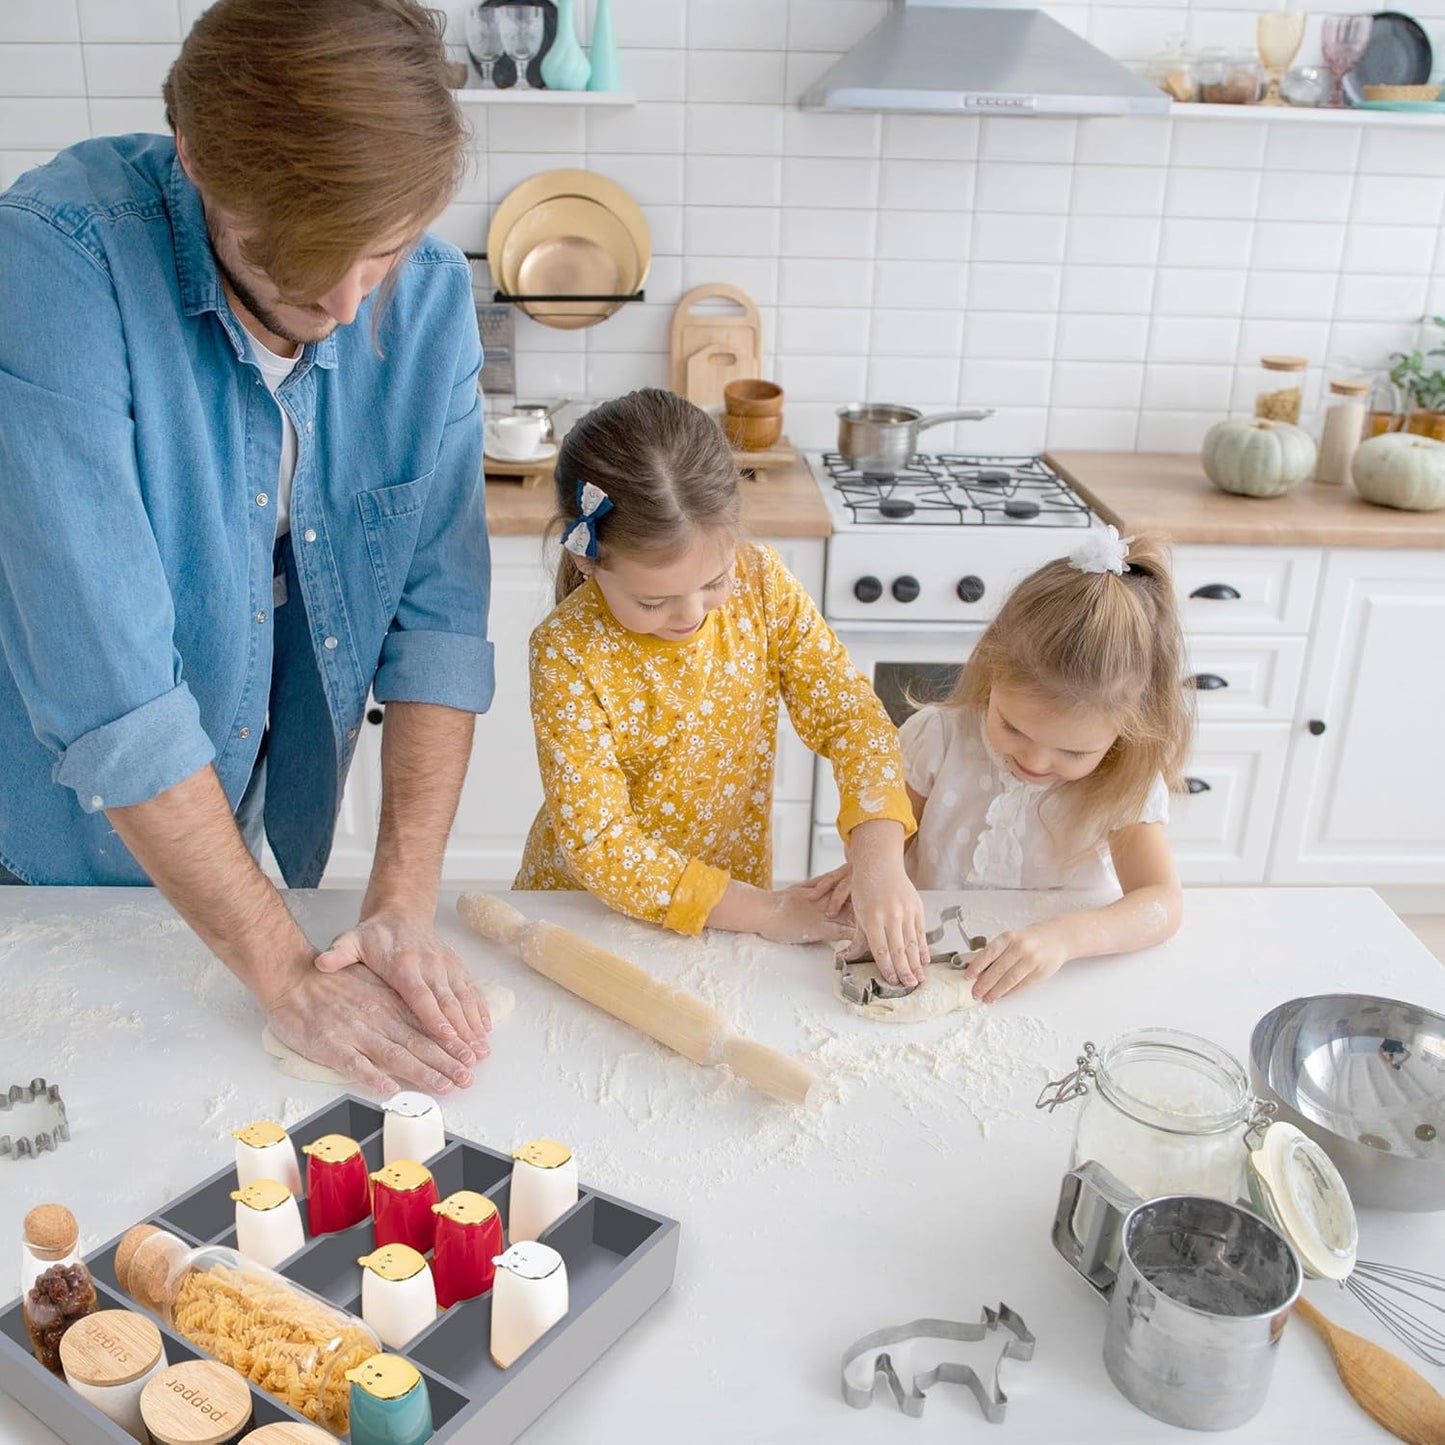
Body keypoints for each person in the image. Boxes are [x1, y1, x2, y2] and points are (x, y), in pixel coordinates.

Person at [0, 0, 495, 1094]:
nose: (346, 302)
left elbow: (438, 621)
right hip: (38, 855)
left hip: (222, 836)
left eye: (384, 254)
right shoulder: (53, 262)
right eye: (301, 263)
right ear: (195, 162)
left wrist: (400, 903)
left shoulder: (430, 298)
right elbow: (110, 694)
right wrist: (285, 970)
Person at [513, 388, 931, 984]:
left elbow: (851, 719)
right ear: (587, 561)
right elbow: (602, 844)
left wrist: (882, 862)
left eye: (714, 581)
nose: (690, 615)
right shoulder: (567, 651)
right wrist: (766, 910)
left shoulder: (763, 584)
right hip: (587, 916)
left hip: (729, 911)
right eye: (653, 600)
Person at [816, 528, 1191, 1002]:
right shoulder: (942, 737)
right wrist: (875, 868)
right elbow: (890, 830)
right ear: (991, 673)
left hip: (1060, 985)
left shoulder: (1123, 781)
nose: (1034, 760)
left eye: (1073, 752)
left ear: (1128, 729)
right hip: (931, 966)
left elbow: (1162, 903)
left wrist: (1065, 938)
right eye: (1013, 728)